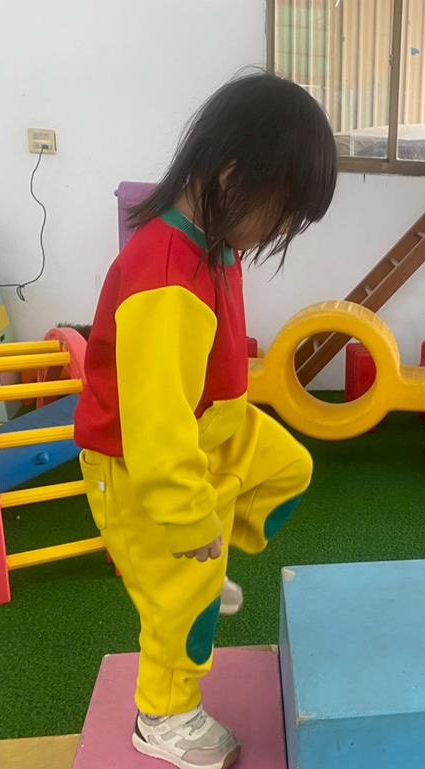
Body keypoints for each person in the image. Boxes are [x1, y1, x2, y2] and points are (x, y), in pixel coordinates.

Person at [74, 71, 337, 769]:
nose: (277, 232)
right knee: (180, 600)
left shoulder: (214, 243)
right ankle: (162, 715)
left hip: (215, 427)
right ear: (232, 174)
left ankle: (202, 557)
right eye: (281, 213)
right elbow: (155, 422)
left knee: (289, 468)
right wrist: (187, 521)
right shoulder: (166, 276)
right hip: (139, 460)